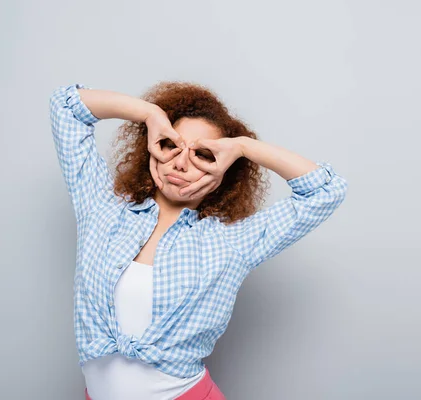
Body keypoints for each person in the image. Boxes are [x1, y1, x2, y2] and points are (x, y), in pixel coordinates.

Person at [49, 82, 349, 400]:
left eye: (202, 155)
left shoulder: (232, 241)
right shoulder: (101, 208)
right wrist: (149, 113)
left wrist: (244, 147)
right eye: (171, 146)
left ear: (224, 171)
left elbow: (326, 191)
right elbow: (66, 108)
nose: (181, 163)